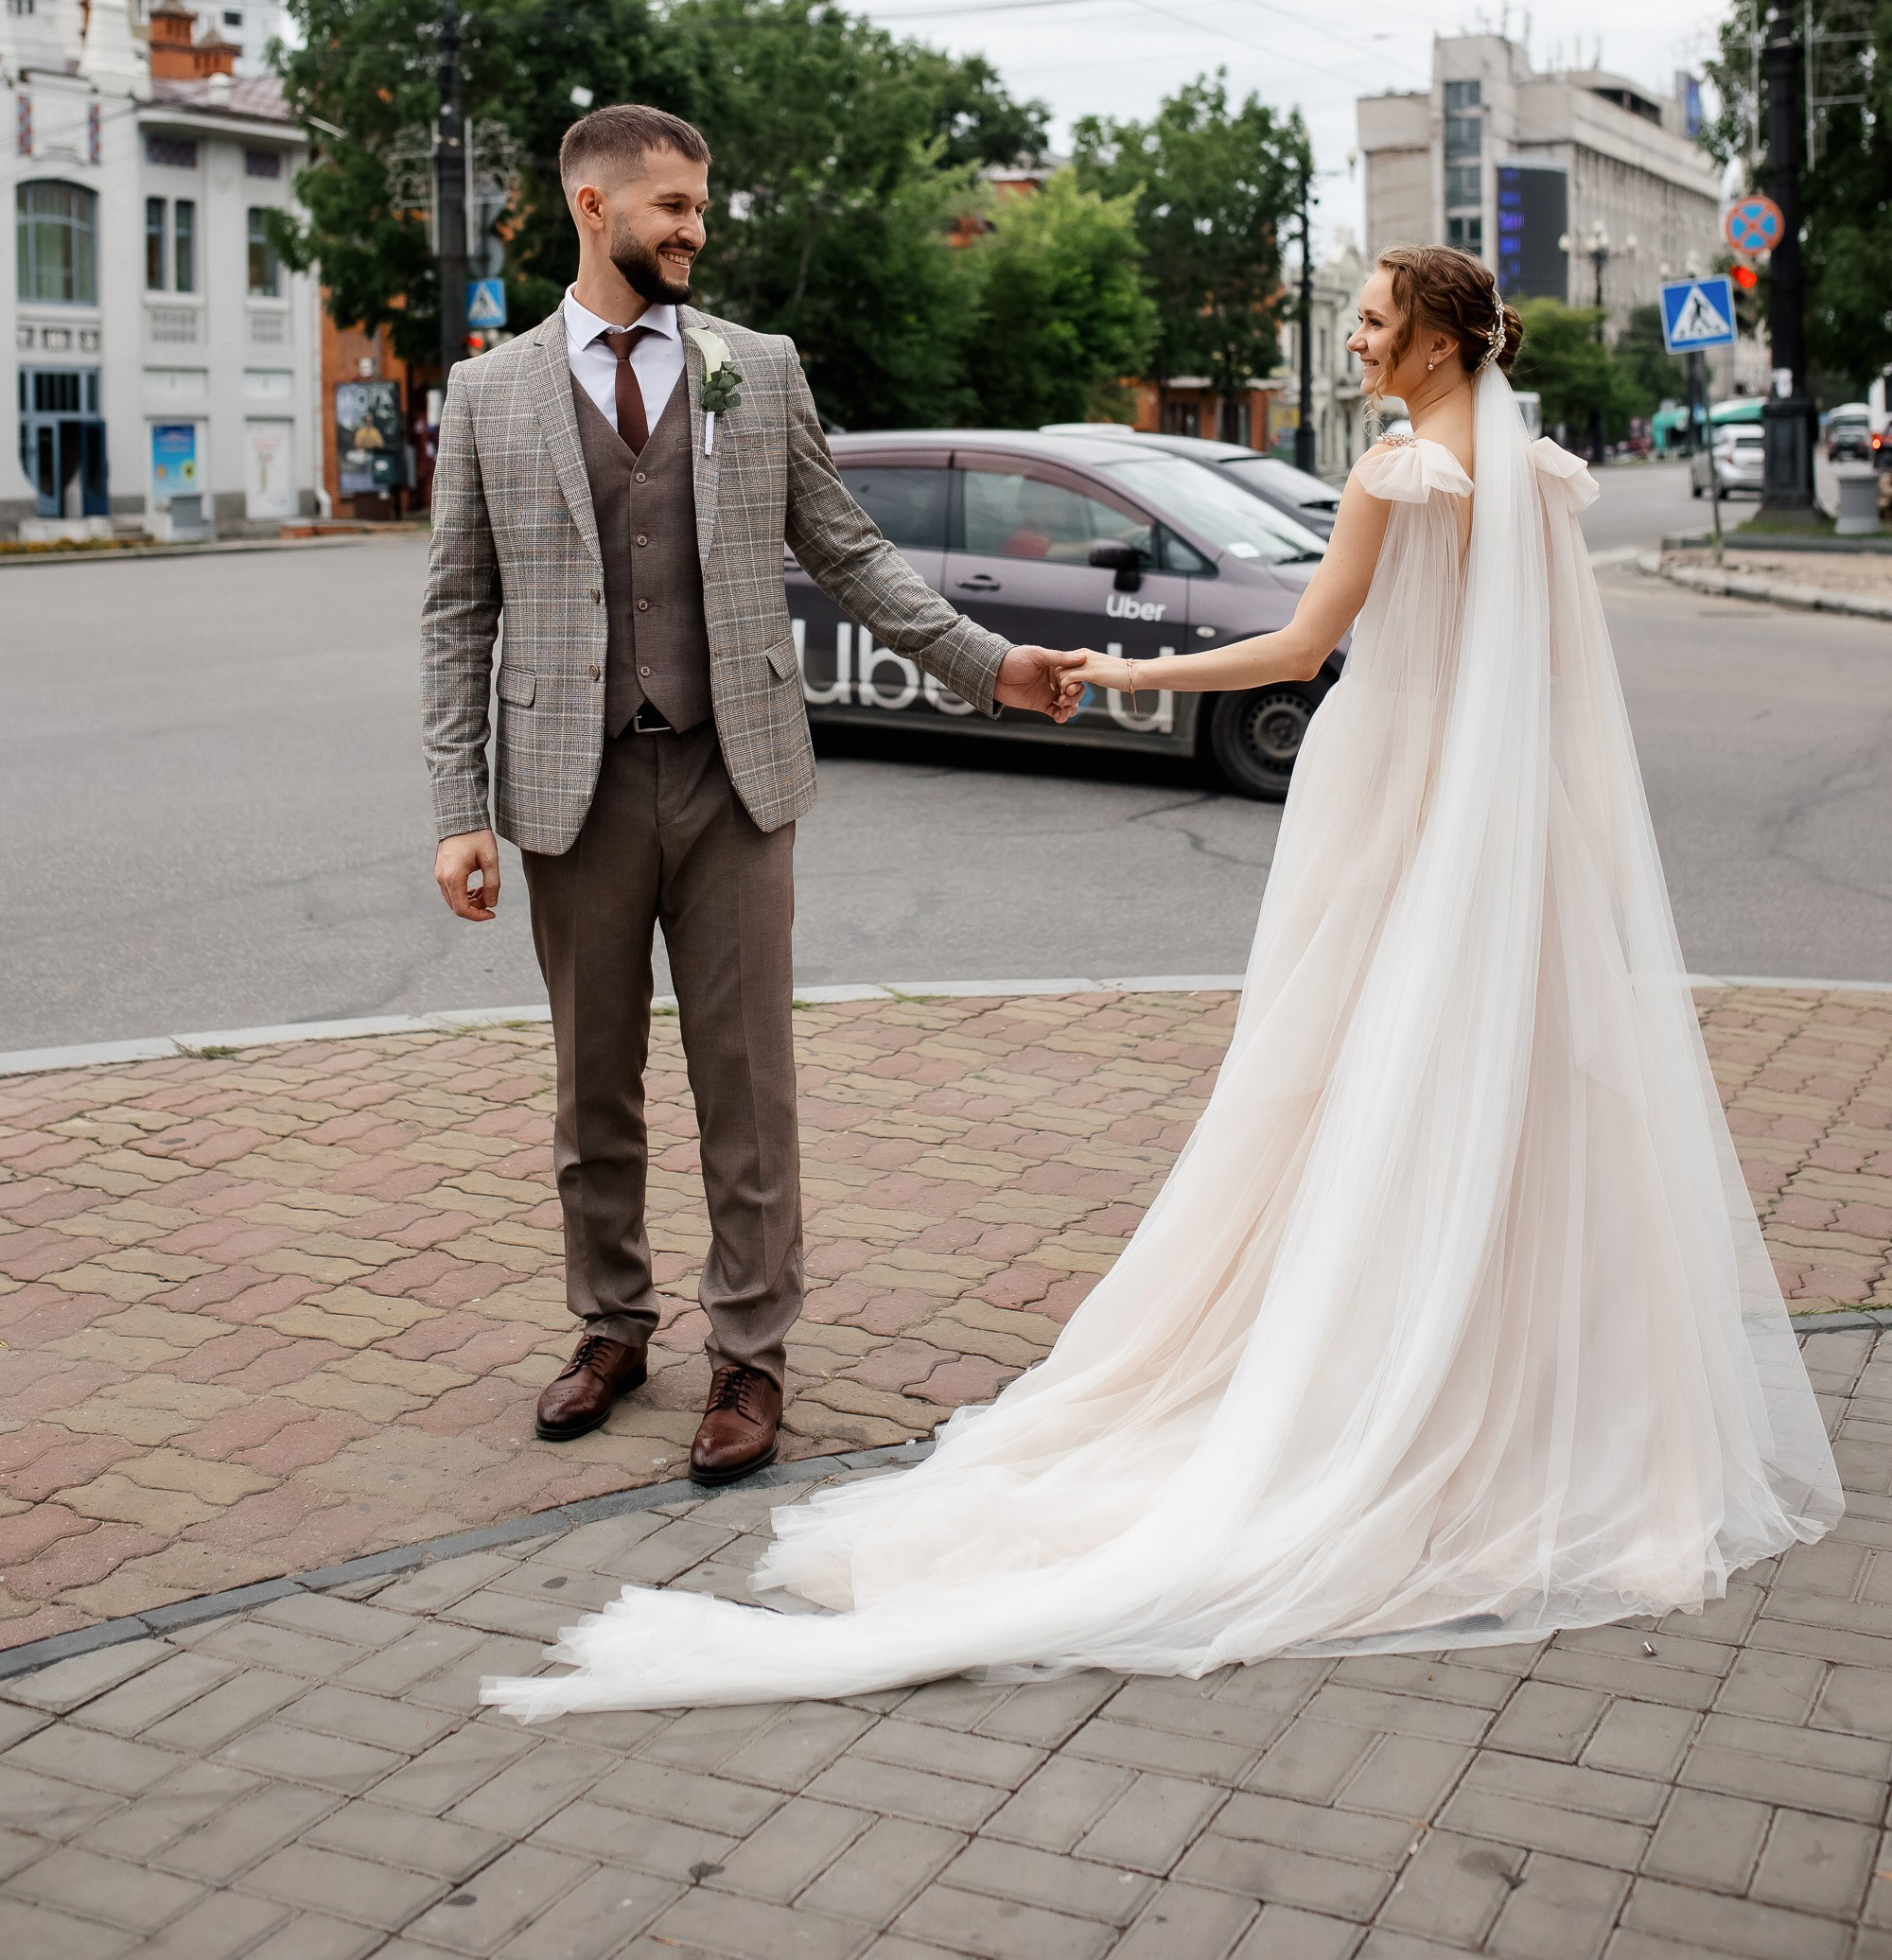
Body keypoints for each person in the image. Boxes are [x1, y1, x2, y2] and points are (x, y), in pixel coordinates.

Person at [485, 241, 1839, 1719]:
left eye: (1378, 327)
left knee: (1342, 1080)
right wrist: (1505, 805)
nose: (1359, 347)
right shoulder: (1547, 477)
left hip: (1394, 798)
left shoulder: (1397, 474)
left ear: (1444, 349)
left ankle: (1377, 1369)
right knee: (1505, 1080)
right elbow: (1565, 685)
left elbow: (1308, 642)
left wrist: (1125, 677)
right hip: (1514, 821)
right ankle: (1526, 1382)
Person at [423, 103, 1080, 1486]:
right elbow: (455, 610)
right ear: (593, 209)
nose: (696, 230)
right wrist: (456, 804)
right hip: (569, 787)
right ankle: (611, 1328)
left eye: (703, 206)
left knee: (748, 1087)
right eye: (671, 207)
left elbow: (847, 549)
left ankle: (750, 1354)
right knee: (591, 1089)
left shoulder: (755, 369)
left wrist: (985, 664)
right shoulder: (490, 394)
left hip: (736, 777)